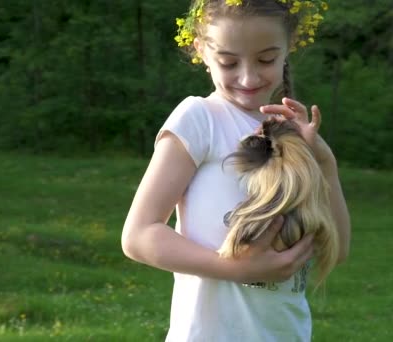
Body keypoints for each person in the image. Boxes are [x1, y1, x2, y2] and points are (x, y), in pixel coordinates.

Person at [121, 0, 350, 341]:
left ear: (289, 47)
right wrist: (238, 268)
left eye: (266, 59)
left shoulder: (292, 135)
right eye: (229, 62)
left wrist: (324, 163)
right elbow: (139, 237)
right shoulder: (200, 119)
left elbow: (338, 249)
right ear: (201, 51)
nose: (248, 76)